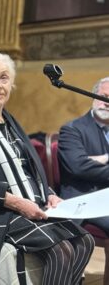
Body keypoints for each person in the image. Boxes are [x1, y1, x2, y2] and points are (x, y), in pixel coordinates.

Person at [0, 52, 94, 285]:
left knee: (86, 241)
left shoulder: (10, 123)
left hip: (26, 204)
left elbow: (28, 172)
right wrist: (18, 203)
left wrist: (49, 194)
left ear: (11, 84)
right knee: (61, 250)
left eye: (3, 78)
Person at [58, 76, 109, 233]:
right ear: (93, 97)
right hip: (86, 200)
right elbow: (79, 167)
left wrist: (103, 159)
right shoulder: (72, 129)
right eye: (103, 97)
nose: (107, 103)